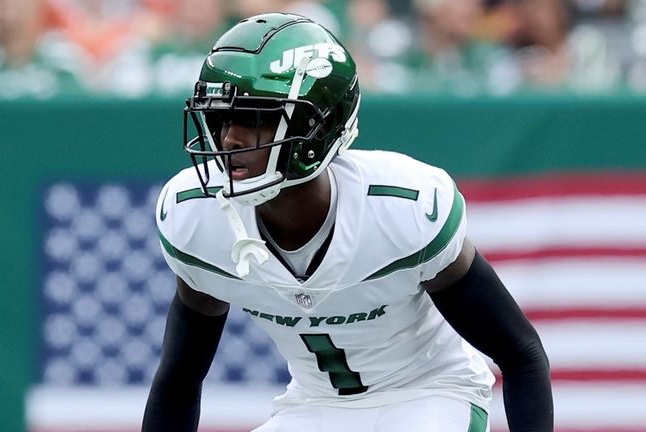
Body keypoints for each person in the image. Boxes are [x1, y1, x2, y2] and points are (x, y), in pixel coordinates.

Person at [143, 12, 553, 432]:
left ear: (316, 126)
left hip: (429, 392)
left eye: (256, 118)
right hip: (314, 404)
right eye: (223, 117)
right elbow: (178, 381)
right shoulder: (195, 216)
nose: (229, 138)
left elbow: (520, 353)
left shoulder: (401, 209)